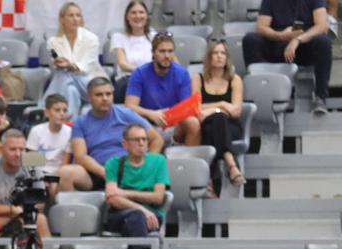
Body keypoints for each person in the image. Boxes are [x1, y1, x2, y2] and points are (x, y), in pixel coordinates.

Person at [58, 77, 163, 192]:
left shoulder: (126, 114)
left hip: (128, 169)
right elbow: (80, 156)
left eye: (108, 94)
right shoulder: (80, 123)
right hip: (96, 172)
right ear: (89, 97)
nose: (105, 98)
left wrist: (146, 165)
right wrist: (106, 172)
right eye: (99, 95)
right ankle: (74, 209)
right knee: (64, 173)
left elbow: (156, 139)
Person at [243, 0, 332, 116]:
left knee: (323, 42)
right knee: (250, 40)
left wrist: (297, 40)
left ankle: (320, 97)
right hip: (278, 45)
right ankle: (260, 93)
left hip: (304, 46)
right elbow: (261, 27)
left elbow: (322, 26)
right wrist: (281, 36)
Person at [104, 123, 170, 249]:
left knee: (133, 223)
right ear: (125, 144)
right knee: (136, 216)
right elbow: (112, 199)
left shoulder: (158, 161)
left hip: (152, 217)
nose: (141, 143)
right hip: (120, 215)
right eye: (136, 140)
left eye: (144, 139)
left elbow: (158, 197)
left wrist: (124, 193)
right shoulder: (114, 164)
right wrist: (142, 209)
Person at [125, 33, 201, 147]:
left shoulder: (181, 73)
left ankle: (188, 160)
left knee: (193, 122)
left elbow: (185, 107)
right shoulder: (139, 73)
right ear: (153, 53)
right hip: (147, 124)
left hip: (174, 123)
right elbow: (129, 106)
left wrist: (169, 114)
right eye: (162, 51)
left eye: (170, 51)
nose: (167, 56)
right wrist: (151, 114)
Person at [191, 40, 246, 194]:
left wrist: (215, 107)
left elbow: (235, 111)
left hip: (231, 127)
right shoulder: (198, 78)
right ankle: (232, 166)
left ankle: (210, 181)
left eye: (222, 53)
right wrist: (221, 106)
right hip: (206, 125)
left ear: (227, 58)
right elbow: (195, 108)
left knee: (218, 120)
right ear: (208, 57)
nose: (219, 56)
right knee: (216, 121)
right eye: (215, 53)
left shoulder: (235, 80)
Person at [0, 129, 50, 237]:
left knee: (40, 219)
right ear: (1, 150)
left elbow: (40, 202)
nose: (18, 154)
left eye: (22, 149)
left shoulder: (34, 163)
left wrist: (24, 212)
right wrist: (12, 210)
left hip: (26, 214)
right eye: (13, 149)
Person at [44, 2, 108, 118]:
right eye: (71, 15)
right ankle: (71, 122)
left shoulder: (91, 38)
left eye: (78, 15)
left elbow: (87, 65)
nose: (75, 19)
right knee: (70, 89)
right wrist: (59, 64)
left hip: (90, 83)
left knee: (66, 75)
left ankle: (46, 106)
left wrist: (70, 66)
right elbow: (56, 63)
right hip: (66, 82)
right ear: (62, 19)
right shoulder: (53, 41)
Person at [25, 93, 72, 198]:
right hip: (39, 172)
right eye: (57, 110)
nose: (62, 114)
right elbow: (31, 163)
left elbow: (65, 163)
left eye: (64, 110)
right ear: (47, 113)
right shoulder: (36, 131)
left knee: (56, 188)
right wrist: (41, 178)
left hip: (58, 173)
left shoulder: (70, 132)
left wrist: (53, 179)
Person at [110, 1, 157, 101]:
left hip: (152, 78)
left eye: (141, 12)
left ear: (147, 16)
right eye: (134, 13)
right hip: (127, 79)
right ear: (127, 16)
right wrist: (143, 73)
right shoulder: (118, 37)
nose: (138, 16)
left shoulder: (154, 37)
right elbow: (123, 64)